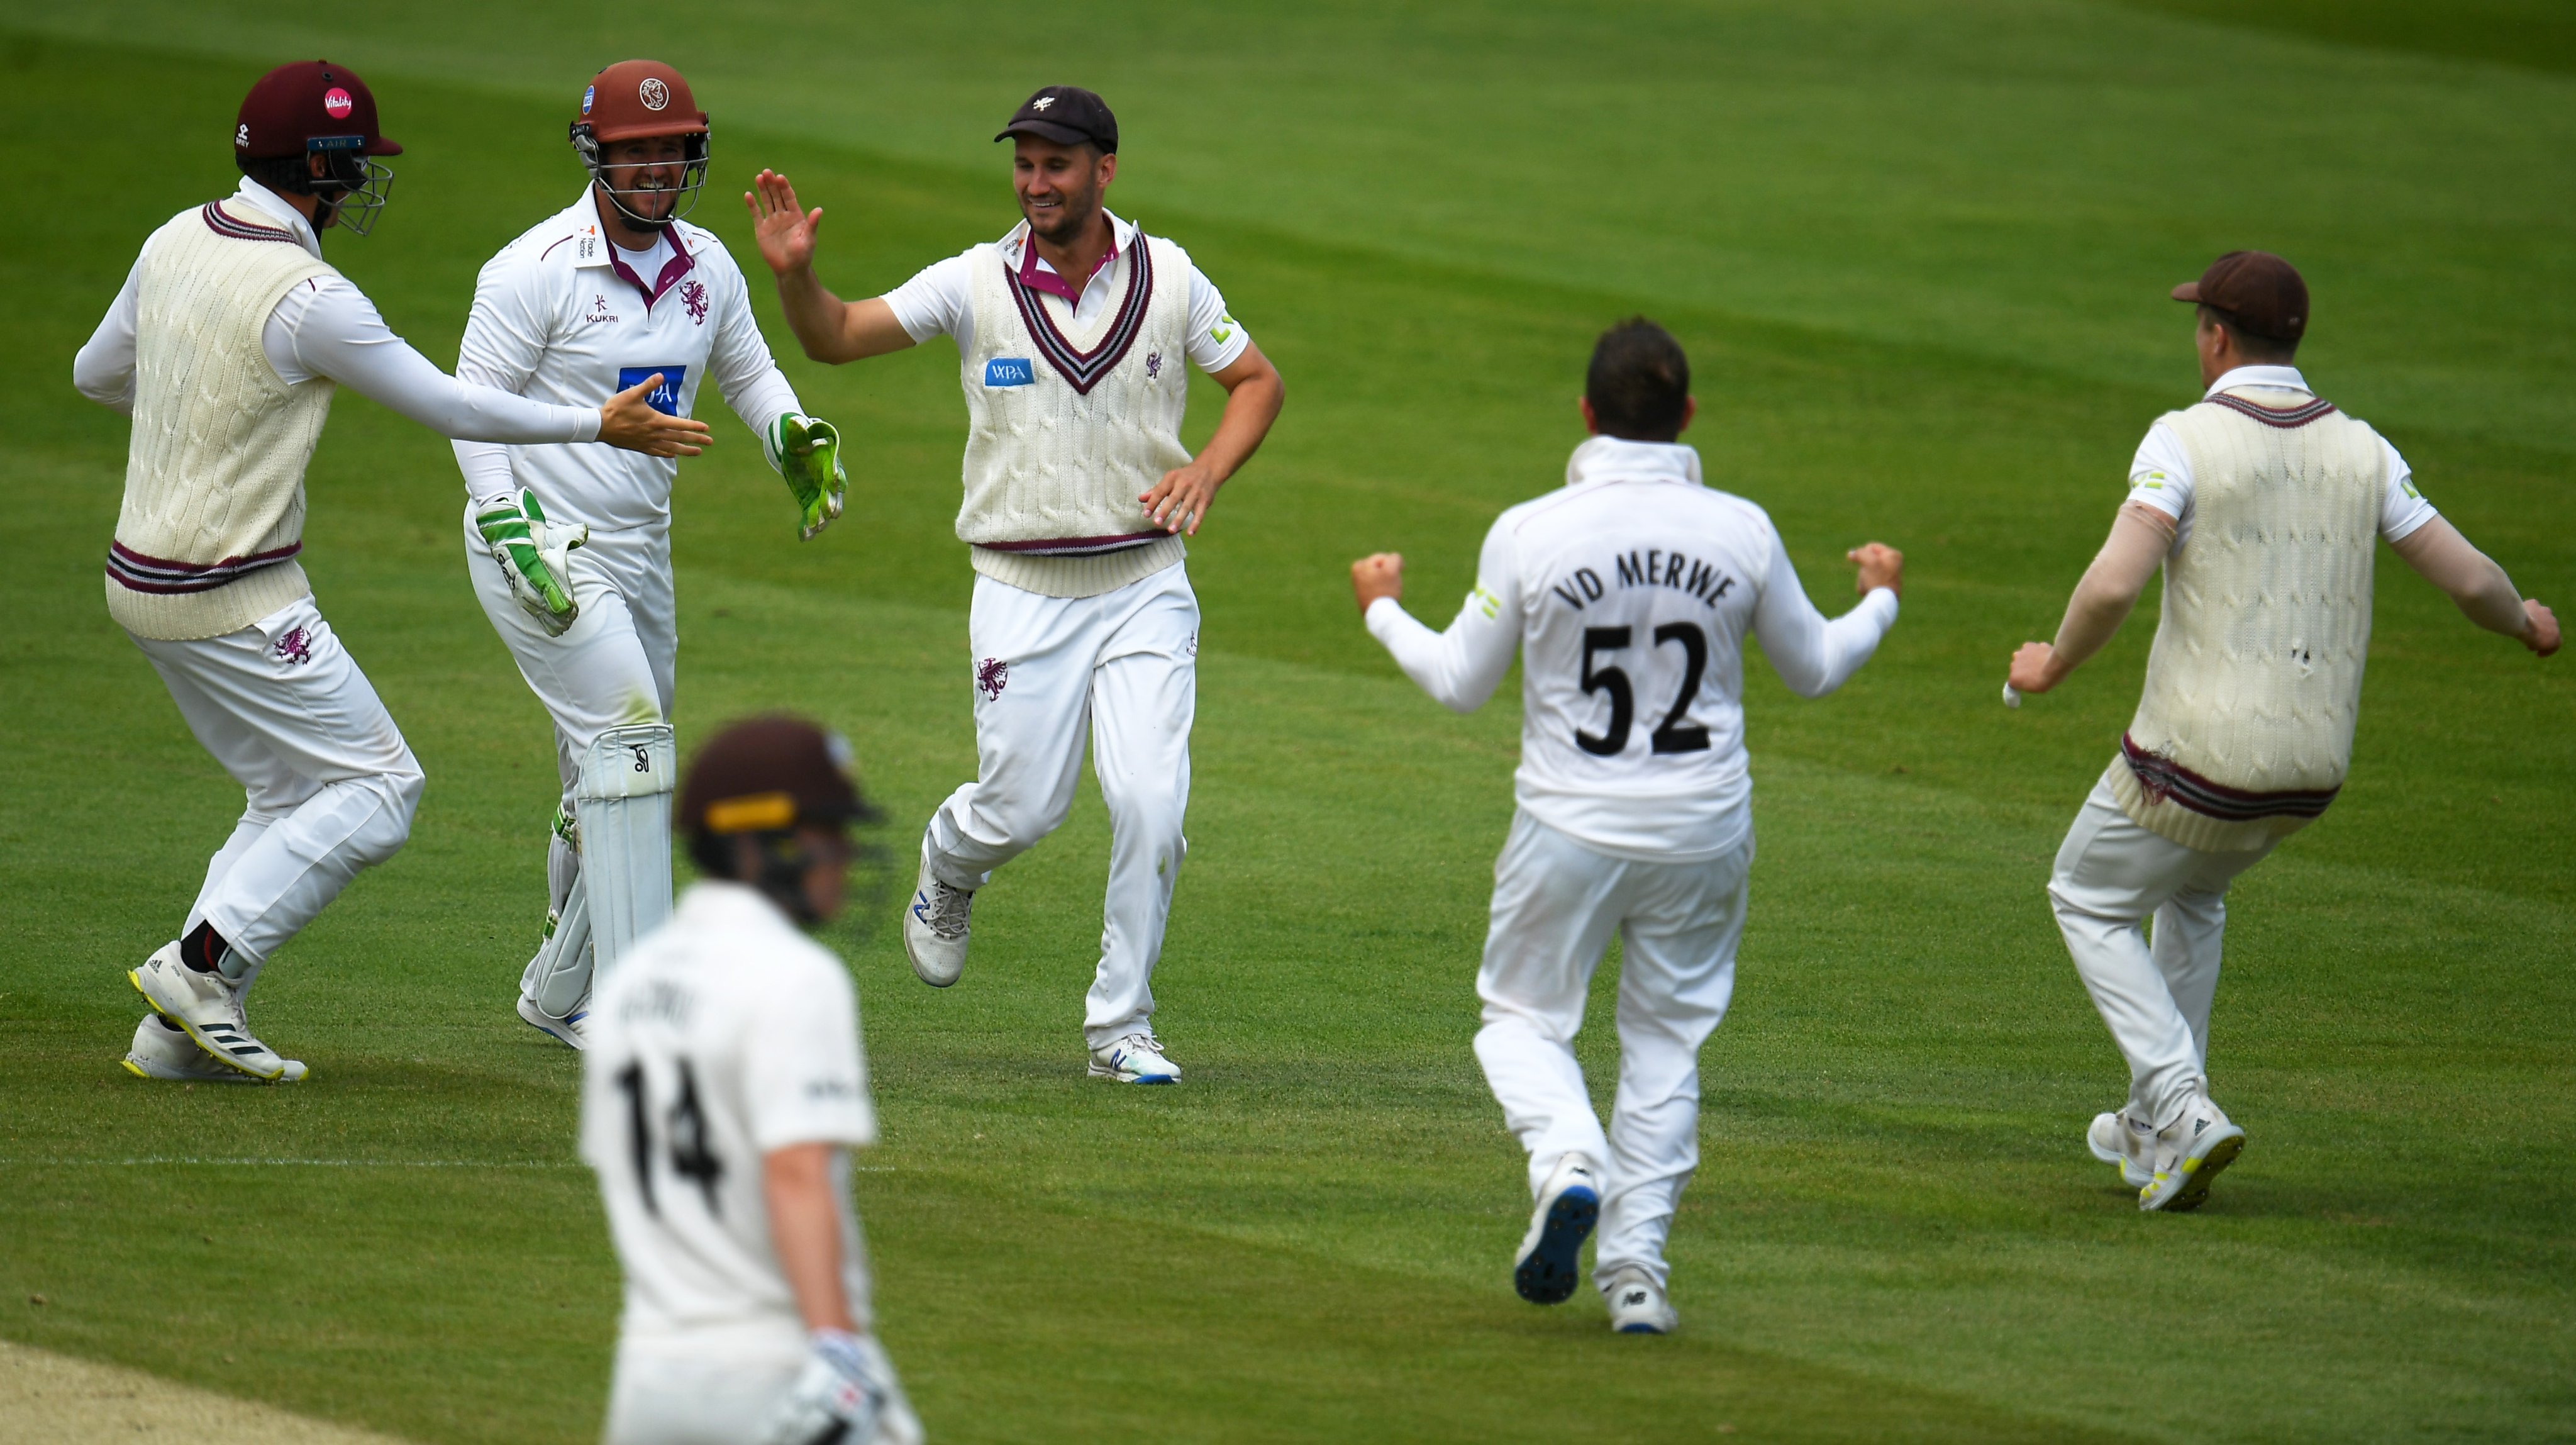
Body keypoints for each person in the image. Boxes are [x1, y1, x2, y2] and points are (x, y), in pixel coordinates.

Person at [72, 59, 707, 1085]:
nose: (365, 182)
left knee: (286, 790)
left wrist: (204, 400)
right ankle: (197, 964)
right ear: (319, 172)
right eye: (355, 165)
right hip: (232, 591)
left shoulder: (173, 238)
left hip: (138, 578)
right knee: (378, 785)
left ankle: (170, 1035)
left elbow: (95, 375)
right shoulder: (310, 296)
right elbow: (456, 407)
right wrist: (598, 421)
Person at [1351, 318, 1903, 1332]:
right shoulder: (1741, 527)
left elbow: (1459, 682)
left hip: (1569, 824)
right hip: (1704, 830)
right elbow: (1817, 667)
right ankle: (1637, 1275)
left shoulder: (1531, 529)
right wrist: (1879, 603)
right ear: (1688, 416)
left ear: (1584, 415)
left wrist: (1384, 608)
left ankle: (1568, 1157)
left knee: (1520, 1019)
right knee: (1665, 1043)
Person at [745, 85, 1286, 1084]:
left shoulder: (1168, 277)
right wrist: (797, 279)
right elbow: (835, 337)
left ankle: (1121, 1028)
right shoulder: (974, 283)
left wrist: (1204, 470)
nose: (1037, 183)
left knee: (1151, 802)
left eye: (1058, 164)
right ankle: (951, 860)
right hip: (1020, 586)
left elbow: (1258, 382)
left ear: (1104, 170)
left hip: (1144, 581)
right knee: (1025, 810)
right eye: (1025, 164)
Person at [2007, 251, 2560, 1212]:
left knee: (2085, 895)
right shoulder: (2362, 448)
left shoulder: (2184, 438)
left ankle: (2181, 1105)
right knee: (2192, 896)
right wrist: (2526, 622)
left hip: (2195, 757)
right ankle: (2151, 1130)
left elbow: (2111, 582)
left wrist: (2051, 663)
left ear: (2216, 336)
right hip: (2309, 773)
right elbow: (2470, 578)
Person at [453, 60, 848, 1049]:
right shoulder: (533, 269)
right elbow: (472, 409)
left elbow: (750, 373)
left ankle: (561, 978)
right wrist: (504, 518)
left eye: (672, 150)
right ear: (597, 153)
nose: (657, 169)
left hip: (639, 550)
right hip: (540, 540)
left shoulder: (706, 265)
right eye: (637, 151)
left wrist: (791, 438)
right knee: (631, 753)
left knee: (615, 778)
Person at [582, 716, 919, 1445]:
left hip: (649, 1376)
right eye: (829, 833)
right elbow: (796, 1170)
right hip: (778, 1366)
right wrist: (835, 1346)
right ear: (760, 843)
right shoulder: (797, 977)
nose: (848, 856)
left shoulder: (628, 986)